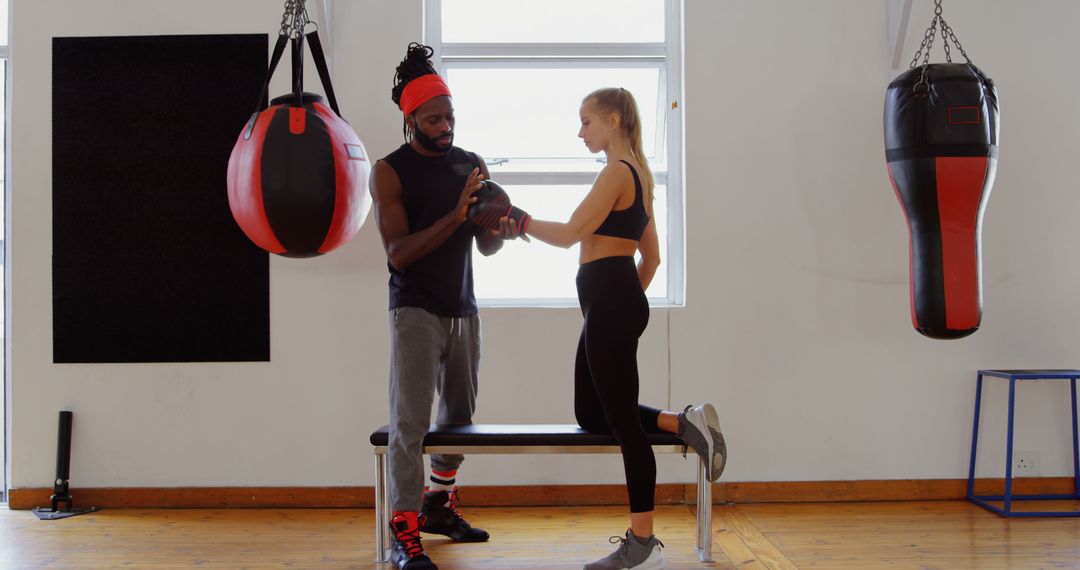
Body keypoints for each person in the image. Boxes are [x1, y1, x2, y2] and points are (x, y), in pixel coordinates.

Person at [521, 87, 727, 570]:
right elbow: (650, 258)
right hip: (612, 301)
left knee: (625, 429)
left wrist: (519, 220)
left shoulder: (617, 172)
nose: (580, 132)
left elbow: (571, 233)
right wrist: (622, 300)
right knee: (592, 413)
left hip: (610, 301)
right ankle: (684, 423)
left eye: (586, 122)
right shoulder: (638, 174)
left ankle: (641, 542)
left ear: (613, 119)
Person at [369, 43, 518, 570]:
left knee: (459, 420)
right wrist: (457, 216)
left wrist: (495, 228)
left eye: (450, 115)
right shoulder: (390, 171)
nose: (445, 125)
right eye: (434, 118)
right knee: (409, 423)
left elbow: (486, 246)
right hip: (414, 310)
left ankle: (439, 504)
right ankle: (403, 533)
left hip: (463, 307)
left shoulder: (469, 163)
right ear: (411, 119)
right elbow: (399, 254)